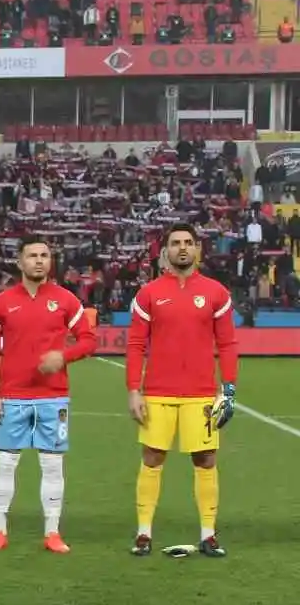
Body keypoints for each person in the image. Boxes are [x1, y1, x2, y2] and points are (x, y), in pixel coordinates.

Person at [126, 223, 239, 557]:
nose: (183, 248)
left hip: (202, 394)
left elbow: (228, 343)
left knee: (205, 459)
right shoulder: (148, 293)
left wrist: (228, 390)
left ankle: (208, 535)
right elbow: (135, 344)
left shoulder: (216, 292)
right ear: (166, 251)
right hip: (158, 392)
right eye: (175, 243)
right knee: (152, 458)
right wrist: (134, 390)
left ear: (197, 249)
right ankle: (144, 533)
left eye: (188, 243)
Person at [0, 236, 96, 553]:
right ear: (20, 262)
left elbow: (88, 340)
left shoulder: (66, 300)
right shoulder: (2, 303)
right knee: (6, 463)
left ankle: (52, 532)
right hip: (13, 396)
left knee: (52, 465)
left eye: (45, 255)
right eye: (32, 255)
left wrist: (64, 356)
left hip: (53, 396)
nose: (39, 260)